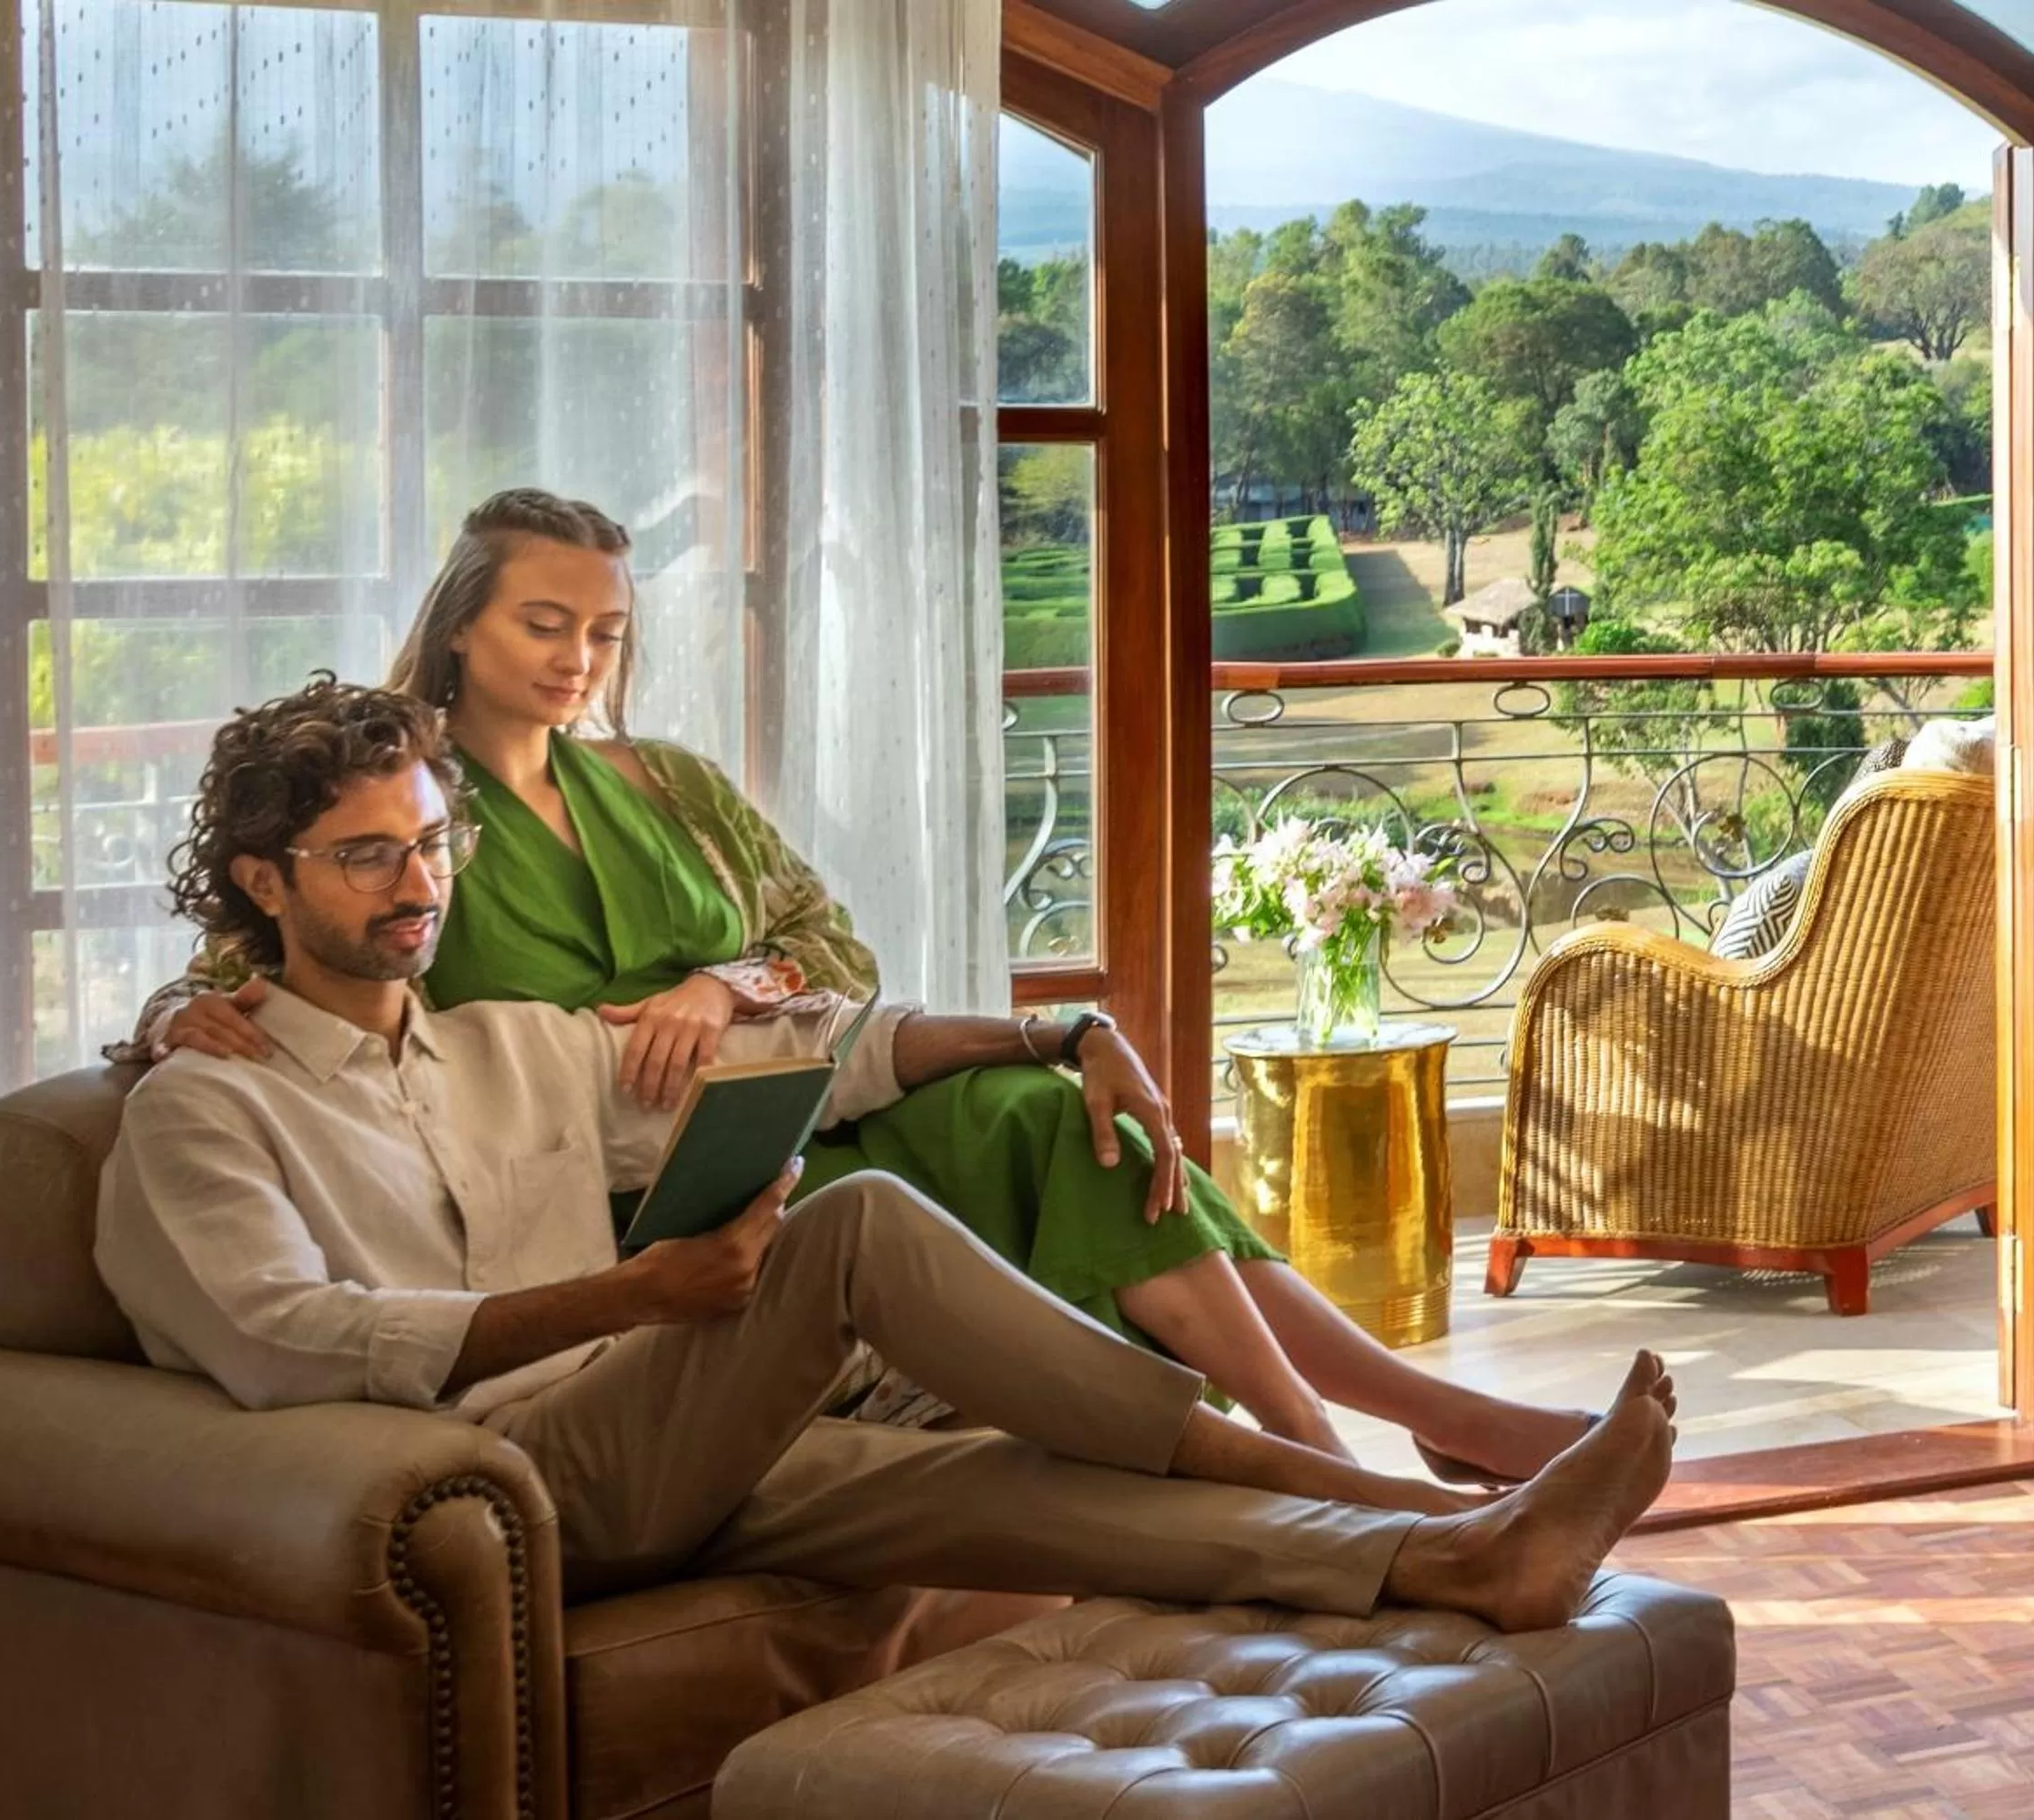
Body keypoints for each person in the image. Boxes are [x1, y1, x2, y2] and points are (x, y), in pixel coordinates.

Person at [94, 678, 1675, 1631]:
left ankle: (1455, 1562)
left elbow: (819, 1050)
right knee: (851, 1226)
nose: (417, 883)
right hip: (512, 1485)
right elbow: (289, 1341)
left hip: (678, 1445)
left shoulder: (513, 1045)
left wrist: (1050, 1032)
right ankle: (1352, 1477)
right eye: (367, 855)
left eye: (433, 842)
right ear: (262, 880)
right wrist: (638, 1296)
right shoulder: (206, 1104)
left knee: (1018, 1488)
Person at [127, 488, 1594, 1484]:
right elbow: (264, 969)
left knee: (1054, 1111)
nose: (579, 657)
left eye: (606, 631)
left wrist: (720, 981)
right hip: (631, 1180)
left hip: (787, 1088)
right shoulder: (399, 822)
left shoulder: (666, 782)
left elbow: (829, 950)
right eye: (543, 623)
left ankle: (1358, 1433)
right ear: (461, 623)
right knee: (952, 1163)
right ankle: (1341, 1457)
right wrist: (163, 1025)